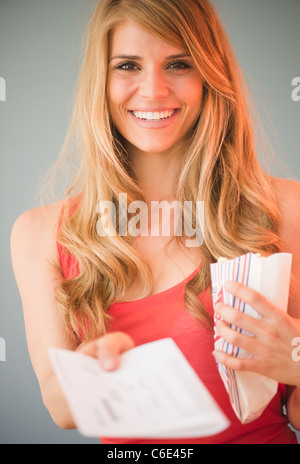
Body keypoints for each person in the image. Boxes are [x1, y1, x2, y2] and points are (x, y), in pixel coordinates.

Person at [10, 0, 300, 444]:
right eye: (127, 65)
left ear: (209, 76)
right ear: (100, 81)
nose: (153, 90)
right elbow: (59, 406)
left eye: (178, 64)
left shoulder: (287, 208)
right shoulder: (39, 236)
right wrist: (92, 371)